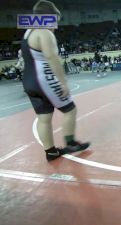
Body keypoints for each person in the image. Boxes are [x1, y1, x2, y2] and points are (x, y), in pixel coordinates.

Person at [21, 0, 89, 161]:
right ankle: (71, 143)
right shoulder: (45, 33)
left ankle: (50, 152)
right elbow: (53, 58)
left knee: (44, 118)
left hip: (29, 81)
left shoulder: (28, 32)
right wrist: (63, 83)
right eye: (55, 20)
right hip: (44, 80)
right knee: (70, 109)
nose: (56, 26)